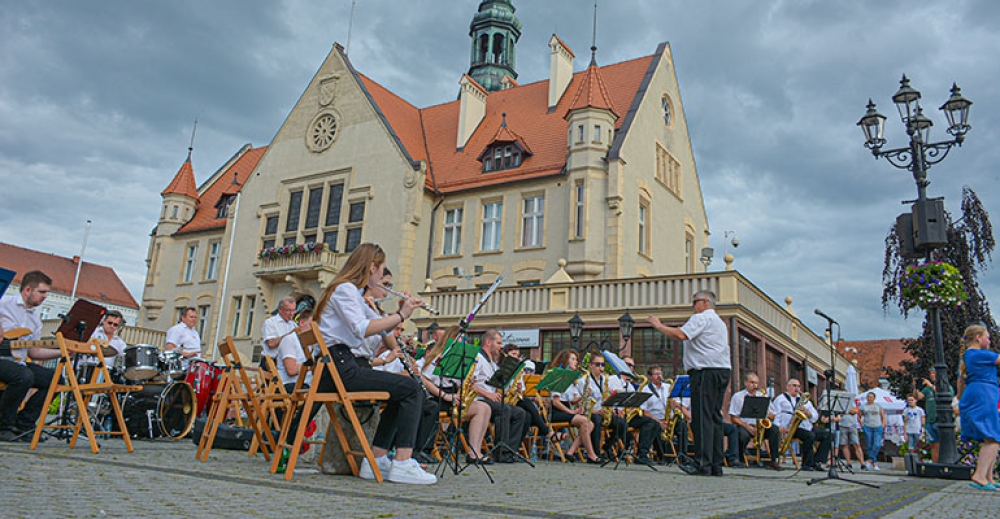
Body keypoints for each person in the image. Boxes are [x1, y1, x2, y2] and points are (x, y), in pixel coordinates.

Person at [311, 243, 436, 484]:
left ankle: (376, 460)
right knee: (411, 388)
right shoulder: (345, 289)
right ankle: (402, 463)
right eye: (381, 272)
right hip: (339, 366)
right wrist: (400, 316)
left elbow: (387, 338)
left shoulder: (354, 295)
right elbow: (361, 329)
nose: (381, 278)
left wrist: (399, 312)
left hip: (337, 365)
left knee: (402, 390)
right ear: (371, 268)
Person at [647, 290, 731, 476]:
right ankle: (716, 464)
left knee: (701, 418)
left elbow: (681, 335)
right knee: (715, 417)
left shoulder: (702, 318)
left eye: (695, 302)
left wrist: (659, 326)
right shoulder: (719, 322)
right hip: (722, 370)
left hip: (705, 371)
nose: (693, 306)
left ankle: (702, 463)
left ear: (705, 302)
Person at [0, 270, 59, 442]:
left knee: (55, 378)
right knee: (23, 376)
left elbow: (34, 352)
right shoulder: (4, 303)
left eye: (47, 293)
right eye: (41, 292)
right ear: (27, 290)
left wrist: (62, 351)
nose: (45, 297)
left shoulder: (35, 320)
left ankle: (24, 424)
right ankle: (3, 426)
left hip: (17, 361)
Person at [418, 326, 492, 464]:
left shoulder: (461, 358)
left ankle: (475, 450)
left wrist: (468, 383)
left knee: (485, 408)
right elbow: (425, 379)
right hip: (439, 395)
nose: (464, 342)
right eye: (461, 339)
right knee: (481, 409)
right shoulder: (440, 355)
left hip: (454, 394)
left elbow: (458, 382)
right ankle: (473, 452)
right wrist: (445, 396)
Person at [472, 329, 528, 462]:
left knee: (520, 413)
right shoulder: (478, 359)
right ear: (488, 342)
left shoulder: (492, 363)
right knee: (505, 409)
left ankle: (510, 451)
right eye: (498, 343)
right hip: (480, 399)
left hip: (491, 399)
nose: (501, 346)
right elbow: (469, 383)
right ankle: (500, 452)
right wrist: (488, 394)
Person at [956, 324, 1000, 491]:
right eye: (987, 337)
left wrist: (960, 399)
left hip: (980, 392)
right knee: (994, 437)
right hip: (984, 393)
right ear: (978, 338)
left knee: (990, 437)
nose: (989, 340)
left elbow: (960, 382)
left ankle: (988, 477)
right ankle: (980, 475)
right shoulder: (978, 354)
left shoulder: (968, 357)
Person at [547, 349, 601, 463]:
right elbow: (556, 402)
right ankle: (591, 454)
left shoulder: (571, 379)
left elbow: (572, 401)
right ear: (565, 361)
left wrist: (584, 394)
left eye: (576, 359)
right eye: (573, 359)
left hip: (566, 410)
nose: (576, 362)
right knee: (586, 422)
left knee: (590, 424)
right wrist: (571, 412)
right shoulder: (558, 376)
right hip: (556, 412)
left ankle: (570, 451)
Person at [769, 378, 832, 471]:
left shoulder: (805, 401)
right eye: (794, 386)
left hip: (806, 427)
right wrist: (779, 427)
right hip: (789, 428)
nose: (797, 388)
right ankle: (806, 464)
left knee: (828, 435)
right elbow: (776, 415)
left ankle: (816, 461)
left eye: (798, 386)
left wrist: (807, 412)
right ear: (787, 387)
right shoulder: (780, 399)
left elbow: (814, 418)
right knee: (809, 436)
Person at [728, 372, 781, 470]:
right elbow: (733, 417)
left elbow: (773, 415)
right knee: (742, 435)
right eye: (752, 383)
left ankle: (774, 459)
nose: (755, 386)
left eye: (756, 383)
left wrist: (768, 415)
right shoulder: (738, 396)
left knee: (774, 430)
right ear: (745, 383)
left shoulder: (763, 396)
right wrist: (748, 427)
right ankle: (740, 457)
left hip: (761, 427)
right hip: (746, 426)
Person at [638, 366, 672, 462]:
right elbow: (644, 411)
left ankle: (683, 456)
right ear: (650, 376)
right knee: (653, 425)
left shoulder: (668, 387)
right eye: (656, 374)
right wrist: (659, 421)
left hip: (667, 418)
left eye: (660, 373)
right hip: (654, 418)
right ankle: (650, 455)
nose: (659, 376)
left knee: (682, 425)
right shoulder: (646, 390)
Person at [275, 309, 314, 393]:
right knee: (318, 391)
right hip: (289, 386)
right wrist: (314, 367)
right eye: (312, 325)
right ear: (302, 323)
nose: (314, 329)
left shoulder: (311, 344)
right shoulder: (290, 339)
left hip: (305, 385)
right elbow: (291, 370)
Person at [261, 296, 297, 367]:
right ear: (280, 310)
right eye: (288, 310)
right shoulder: (270, 322)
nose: (291, 314)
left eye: (293, 310)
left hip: (287, 362)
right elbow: (271, 344)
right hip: (271, 362)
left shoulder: (294, 325)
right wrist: (290, 335)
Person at [860, 392, 886, 471]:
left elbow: (883, 416)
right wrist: (862, 425)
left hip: (877, 427)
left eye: (871, 397)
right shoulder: (863, 406)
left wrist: (883, 425)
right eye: (868, 397)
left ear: (874, 398)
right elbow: (859, 415)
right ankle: (874, 464)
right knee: (869, 445)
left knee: (877, 444)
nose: (869, 398)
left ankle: (870, 460)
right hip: (868, 427)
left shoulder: (878, 406)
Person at [838, 399, 865, 470]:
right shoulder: (838, 403)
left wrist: (846, 412)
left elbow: (855, 411)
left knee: (856, 444)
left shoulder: (850, 402)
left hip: (852, 425)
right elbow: (838, 414)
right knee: (845, 445)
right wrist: (847, 412)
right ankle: (848, 462)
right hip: (842, 425)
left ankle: (862, 463)